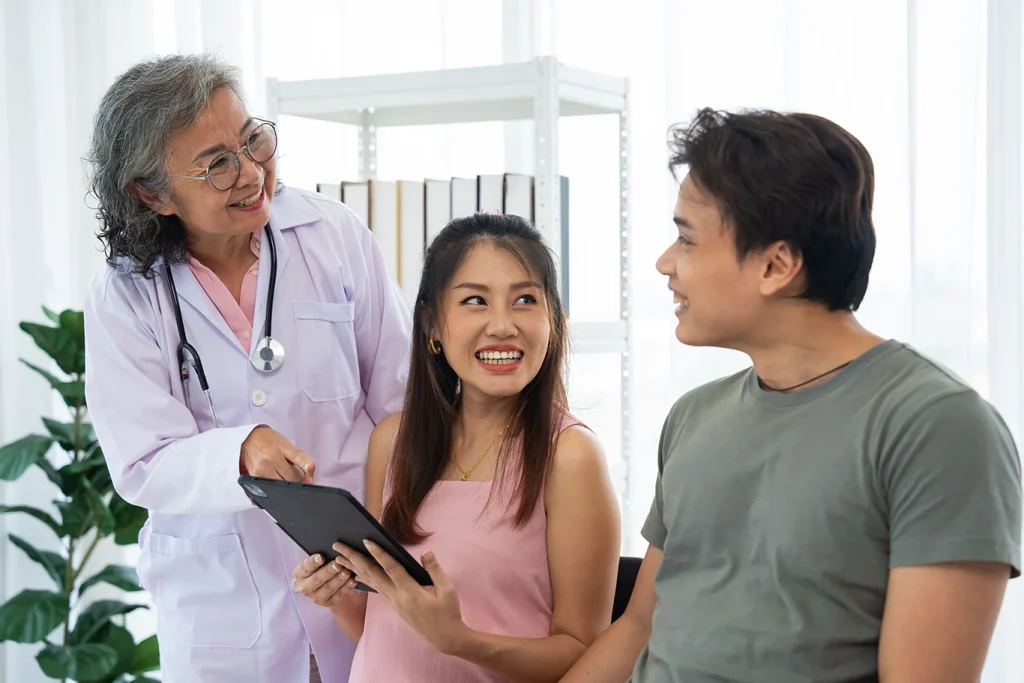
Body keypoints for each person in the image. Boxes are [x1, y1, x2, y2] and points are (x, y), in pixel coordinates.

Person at [560, 108, 1023, 683]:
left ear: (777, 265)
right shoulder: (693, 417)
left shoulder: (938, 427)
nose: (664, 263)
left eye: (686, 239)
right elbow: (639, 628)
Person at [82, 54, 411, 683]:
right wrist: (240, 450)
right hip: (225, 610)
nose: (252, 172)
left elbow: (399, 401)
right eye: (216, 164)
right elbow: (142, 461)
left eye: (253, 139)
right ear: (151, 193)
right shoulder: (126, 294)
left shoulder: (329, 234)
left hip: (360, 583)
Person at [292, 212, 622, 682]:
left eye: (525, 299)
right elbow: (375, 627)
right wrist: (337, 595)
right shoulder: (393, 442)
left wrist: (461, 641)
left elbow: (583, 652)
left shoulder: (570, 456)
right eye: (475, 301)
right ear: (431, 325)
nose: (503, 325)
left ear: (553, 319)